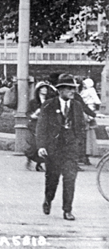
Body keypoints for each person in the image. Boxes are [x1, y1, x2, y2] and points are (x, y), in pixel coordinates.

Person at [36, 74, 85, 221]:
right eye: (69, 89)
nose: (72, 92)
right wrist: (41, 146)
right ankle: (48, 199)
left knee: (70, 179)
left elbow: (81, 127)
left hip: (70, 149)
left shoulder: (77, 106)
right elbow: (41, 126)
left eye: (74, 89)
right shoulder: (49, 105)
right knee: (52, 179)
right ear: (60, 90)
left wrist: (79, 145)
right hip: (53, 149)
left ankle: (67, 210)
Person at [25, 81, 56, 171]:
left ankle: (39, 164)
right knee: (35, 145)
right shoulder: (33, 102)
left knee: (44, 144)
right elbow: (28, 113)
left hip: (46, 125)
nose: (45, 90)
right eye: (42, 88)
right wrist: (34, 114)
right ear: (38, 90)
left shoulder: (49, 100)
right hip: (35, 125)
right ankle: (30, 157)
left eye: (46, 88)